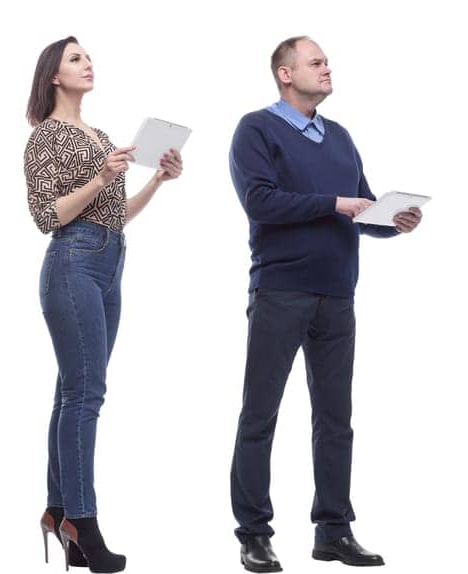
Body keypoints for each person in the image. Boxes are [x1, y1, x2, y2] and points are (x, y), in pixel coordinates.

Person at [228, 36, 421, 574]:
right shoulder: (256, 128)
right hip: (280, 291)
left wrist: (392, 222)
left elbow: (361, 210)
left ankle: (333, 530)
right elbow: (259, 201)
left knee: (336, 419)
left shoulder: (339, 137)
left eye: (326, 62)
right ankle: (254, 534)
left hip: (338, 294)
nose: (326, 68)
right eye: (316, 62)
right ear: (286, 74)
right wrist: (335, 203)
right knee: (260, 414)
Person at [22, 36, 184, 574]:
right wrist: (102, 176)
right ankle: (83, 524)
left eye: (88, 56)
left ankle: (57, 509)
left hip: (109, 259)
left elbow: (115, 214)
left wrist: (156, 179)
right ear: (53, 77)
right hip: (72, 264)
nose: (87, 63)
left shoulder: (100, 133)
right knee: (86, 395)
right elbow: (49, 216)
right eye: (75, 58)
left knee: (71, 393)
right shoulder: (46, 137)